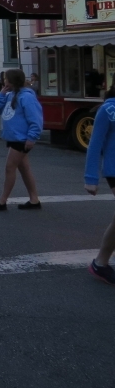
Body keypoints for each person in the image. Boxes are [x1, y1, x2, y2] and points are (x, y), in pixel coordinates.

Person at [0, 69, 42, 211]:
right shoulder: (10, 94)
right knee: (24, 169)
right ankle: (34, 199)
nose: (4, 81)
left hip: (21, 138)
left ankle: (2, 200)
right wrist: (1, 94)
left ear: (12, 80)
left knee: (9, 167)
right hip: (14, 137)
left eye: (6, 79)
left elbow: (35, 119)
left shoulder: (27, 97)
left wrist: (32, 137)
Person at [85, 86, 115, 285]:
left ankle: (100, 263)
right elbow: (95, 143)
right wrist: (91, 178)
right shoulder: (108, 109)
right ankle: (100, 263)